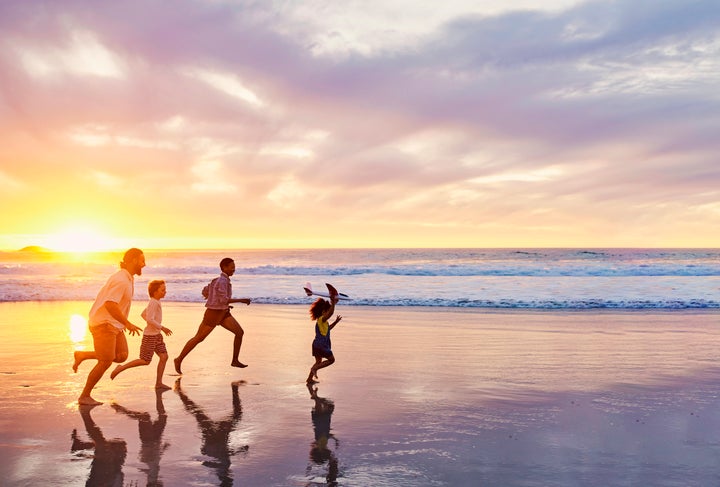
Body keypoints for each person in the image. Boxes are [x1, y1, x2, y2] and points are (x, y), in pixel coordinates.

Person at [73, 248, 145, 406]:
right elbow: (110, 304)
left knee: (121, 355)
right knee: (105, 361)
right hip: (104, 324)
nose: (144, 264)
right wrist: (127, 323)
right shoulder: (121, 279)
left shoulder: (127, 278)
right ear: (133, 260)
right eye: (142, 260)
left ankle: (83, 355)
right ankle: (84, 396)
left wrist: (122, 322)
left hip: (114, 323)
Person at [174, 258, 251, 374]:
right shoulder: (221, 281)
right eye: (231, 267)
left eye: (234, 266)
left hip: (223, 313)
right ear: (224, 267)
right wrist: (242, 300)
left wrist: (213, 299)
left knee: (239, 332)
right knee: (199, 338)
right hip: (213, 314)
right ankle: (178, 359)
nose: (234, 269)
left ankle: (235, 360)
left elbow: (205, 291)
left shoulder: (217, 280)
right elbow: (223, 299)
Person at [110, 279, 173, 389]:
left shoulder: (155, 301)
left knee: (164, 356)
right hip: (150, 336)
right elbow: (149, 318)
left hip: (156, 335)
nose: (165, 292)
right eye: (163, 290)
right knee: (145, 360)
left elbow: (144, 314)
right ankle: (120, 368)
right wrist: (162, 327)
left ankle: (159, 383)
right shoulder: (153, 302)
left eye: (165, 290)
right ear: (155, 292)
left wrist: (155, 326)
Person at [306, 294, 342, 384]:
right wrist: (333, 303)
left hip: (316, 344)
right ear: (323, 312)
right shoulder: (321, 319)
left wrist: (336, 322)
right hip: (322, 345)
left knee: (318, 361)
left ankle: (309, 379)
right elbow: (331, 313)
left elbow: (329, 328)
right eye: (327, 311)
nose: (328, 313)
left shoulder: (323, 323)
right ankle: (315, 368)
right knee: (331, 360)